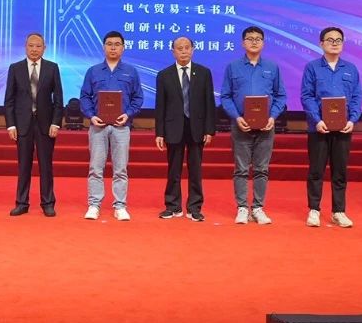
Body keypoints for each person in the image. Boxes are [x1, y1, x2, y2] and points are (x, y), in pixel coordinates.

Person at [221, 25, 288, 225]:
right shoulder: (233, 67)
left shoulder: (272, 67)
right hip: (241, 125)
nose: (254, 42)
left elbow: (281, 96)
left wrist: (273, 117)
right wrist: (236, 117)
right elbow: (226, 96)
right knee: (241, 169)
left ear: (263, 43)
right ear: (243, 43)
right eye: (250, 38)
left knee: (261, 169)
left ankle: (258, 208)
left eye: (258, 39)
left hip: (266, 126)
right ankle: (242, 208)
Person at [300, 26, 362, 228]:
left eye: (338, 40)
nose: (334, 43)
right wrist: (317, 120)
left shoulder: (351, 69)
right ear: (321, 43)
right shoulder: (312, 67)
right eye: (330, 40)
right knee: (316, 171)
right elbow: (307, 96)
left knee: (340, 172)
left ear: (342, 44)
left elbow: (357, 97)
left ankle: (339, 211)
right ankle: (314, 210)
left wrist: (352, 120)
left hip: (343, 128)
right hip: (318, 128)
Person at [79, 30, 144, 221]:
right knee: (95, 168)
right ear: (103, 47)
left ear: (123, 48)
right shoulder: (93, 71)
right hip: (98, 126)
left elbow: (138, 98)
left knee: (120, 169)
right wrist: (91, 116)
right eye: (109, 44)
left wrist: (128, 114)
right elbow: (85, 96)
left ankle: (120, 206)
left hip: (121, 126)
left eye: (117, 44)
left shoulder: (131, 71)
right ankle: (94, 205)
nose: (113, 47)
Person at [153, 36, 216, 222]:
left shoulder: (204, 73)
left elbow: (209, 103)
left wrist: (209, 130)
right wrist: (159, 132)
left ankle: (194, 207)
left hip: (197, 127)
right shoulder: (164, 75)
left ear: (193, 50)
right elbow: (160, 106)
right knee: (174, 169)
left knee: (195, 170)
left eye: (187, 47)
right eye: (179, 48)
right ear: (173, 51)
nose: (183, 51)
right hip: (174, 127)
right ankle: (172, 206)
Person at [3, 32, 64, 217]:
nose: (34, 49)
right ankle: (22, 203)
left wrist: (56, 123)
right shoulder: (15, 68)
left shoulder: (52, 68)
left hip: (46, 124)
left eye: (38, 46)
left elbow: (58, 99)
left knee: (46, 165)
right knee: (23, 165)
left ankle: (48, 203)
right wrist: (11, 125)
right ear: (25, 47)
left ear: (44, 48)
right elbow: (9, 100)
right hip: (23, 124)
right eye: (31, 45)